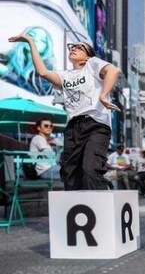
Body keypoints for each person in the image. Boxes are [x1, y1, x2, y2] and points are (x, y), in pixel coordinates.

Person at [9, 35, 120, 190]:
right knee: (69, 174)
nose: (73, 48)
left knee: (90, 170)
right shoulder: (65, 75)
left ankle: (100, 202)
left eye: (79, 47)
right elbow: (42, 72)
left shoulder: (92, 64)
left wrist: (103, 95)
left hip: (96, 125)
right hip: (73, 127)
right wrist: (30, 41)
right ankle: (76, 204)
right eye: (72, 46)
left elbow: (113, 71)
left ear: (87, 57)